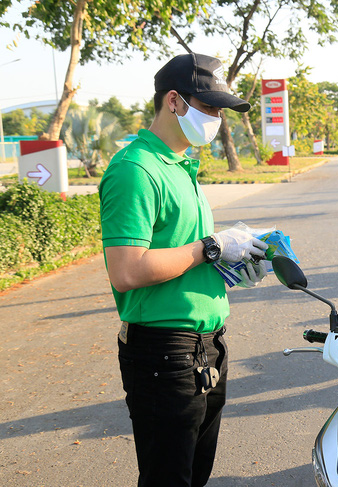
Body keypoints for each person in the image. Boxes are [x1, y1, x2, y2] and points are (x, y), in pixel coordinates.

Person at [99, 52, 268, 487]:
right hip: (164, 352)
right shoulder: (136, 169)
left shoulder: (181, 166)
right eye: (209, 107)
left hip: (207, 347)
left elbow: (185, 254)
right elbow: (127, 271)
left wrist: (230, 263)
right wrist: (212, 246)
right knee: (168, 479)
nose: (217, 118)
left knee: (194, 475)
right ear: (173, 101)